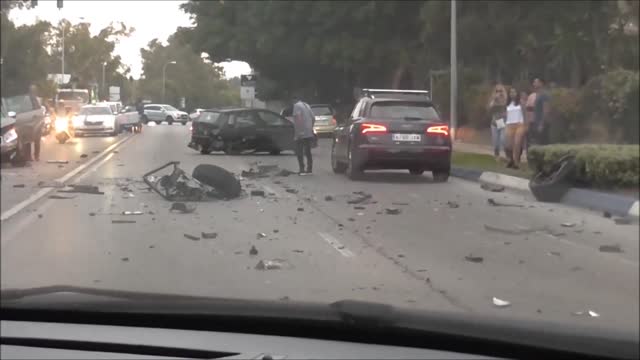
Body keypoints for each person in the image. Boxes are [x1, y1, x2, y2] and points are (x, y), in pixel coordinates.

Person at [292, 95, 315, 175]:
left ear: (295, 99)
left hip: (301, 132)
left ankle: (302, 170)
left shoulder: (296, 106)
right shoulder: (307, 105)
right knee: (308, 151)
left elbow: (298, 118)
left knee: (299, 151)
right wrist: (311, 128)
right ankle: (309, 169)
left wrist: (299, 131)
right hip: (309, 132)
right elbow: (313, 118)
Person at [504, 87, 525, 169]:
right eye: (511, 92)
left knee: (517, 144)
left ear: (517, 93)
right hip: (509, 125)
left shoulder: (521, 102)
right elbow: (505, 116)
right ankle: (511, 160)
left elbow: (525, 114)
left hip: (519, 124)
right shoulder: (507, 104)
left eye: (514, 92)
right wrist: (501, 126)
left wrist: (526, 126)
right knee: (508, 145)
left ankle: (516, 163)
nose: (512, 94)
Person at [487, 84, 508, 162]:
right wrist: (494, 100)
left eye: (500, 91)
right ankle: (497, 155)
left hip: (502, 122)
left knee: (503, 139)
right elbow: (489, 109)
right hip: (494, 122)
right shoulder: (493, 99)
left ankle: (507, 155)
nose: (499, 92)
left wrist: (497, 100)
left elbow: (503, 106)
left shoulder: (504, 99)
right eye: (497, 91)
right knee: (495, 142)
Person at [530, 77, 551, 145]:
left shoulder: (544, 94)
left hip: (542, 124)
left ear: (541, 83)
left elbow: (546, 110)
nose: (534, 84)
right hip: (536, 122)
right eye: (534, 82)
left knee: (543, 143)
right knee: (537, 143)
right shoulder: (538, 94)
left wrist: (541, 124)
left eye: (536, 82)